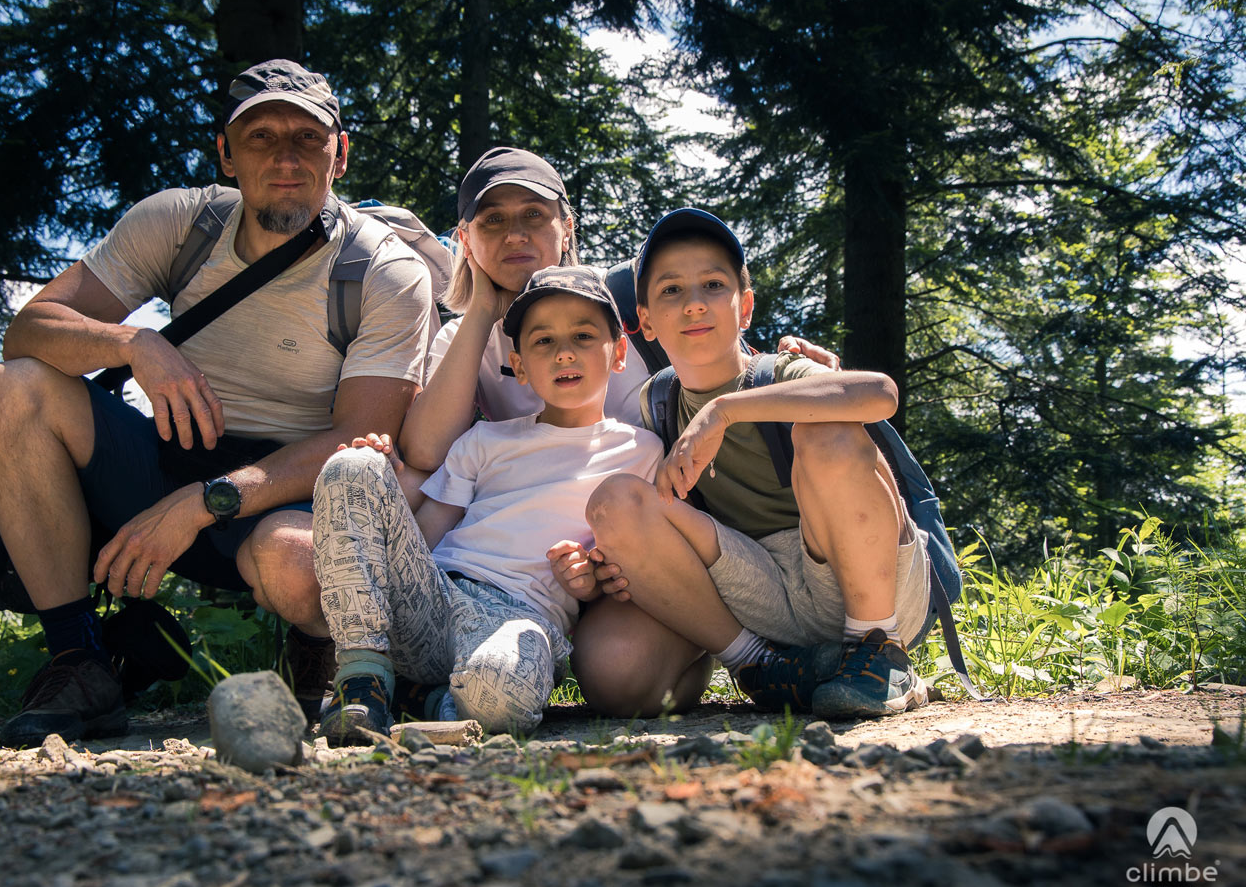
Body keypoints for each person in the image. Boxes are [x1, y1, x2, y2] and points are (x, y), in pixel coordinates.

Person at [0, 59, 437, 747]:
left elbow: (359, 436)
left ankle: (317, 643)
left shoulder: (384, 271)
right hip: (163, 460)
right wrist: (135, 342)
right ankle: (80, 660)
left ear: (340, 155)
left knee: (295, 562)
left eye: (308, 138)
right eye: (260, 136)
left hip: (290, 493)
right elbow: (30, 330)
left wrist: (202, 502)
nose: (286, 156)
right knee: (12, 387)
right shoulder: (179, 224)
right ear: (225, 153)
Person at [397, 146, 839, 718]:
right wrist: (483, 308)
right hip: (543, 559)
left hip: (642, 539)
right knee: (403, 480)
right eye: (493, 221)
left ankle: (739, 650)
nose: (515, 235)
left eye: (534, 215)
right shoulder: (466, 339)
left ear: (566, 227)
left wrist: (792, 371)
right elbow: (427, 452)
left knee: (618, 673)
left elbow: (712, 361)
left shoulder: (614, 313)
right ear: (464, 237)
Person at [576, 209, 933, 720]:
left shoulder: (782, 371)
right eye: (671, 290)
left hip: (863, 575)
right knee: (614, 503)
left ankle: (880, 651)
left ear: (744, 308)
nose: (695, 303)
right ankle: (759, 665)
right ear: (646, 321)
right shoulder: (656, 402)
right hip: (757, 585)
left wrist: (725, 411)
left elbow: (880, 393)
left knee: (828, 431)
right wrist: (605, 556)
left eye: (713, 285)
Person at [312, 266, 662, 742]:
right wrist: (382, 487)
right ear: (518, 366)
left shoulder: (641, 451)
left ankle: (421, 702)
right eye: (543, 342)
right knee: (352, 465)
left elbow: (632, 558)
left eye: (583, 335)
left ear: (618, 352)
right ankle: (363, 679)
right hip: (435, 596)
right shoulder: (486, 438)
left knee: (503, 694)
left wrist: (589, 583)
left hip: (521, 617)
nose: (564, 352)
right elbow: (428, 534)